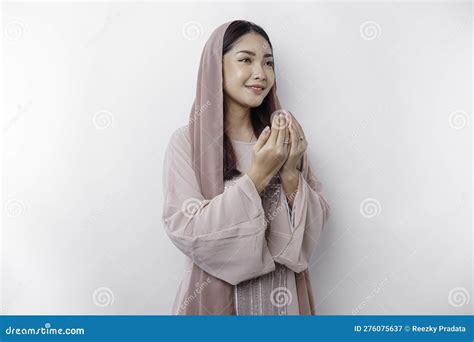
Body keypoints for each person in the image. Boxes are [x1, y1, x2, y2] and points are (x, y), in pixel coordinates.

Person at [162, 20, 331, 315]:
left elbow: (310, 236)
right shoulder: (187, 143)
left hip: (284, 301)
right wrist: (258, 175)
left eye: (268, 63)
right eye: (245, 60)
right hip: (215, 302)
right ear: (216, 67)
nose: (260, 74)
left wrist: (291, 173)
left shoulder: (284, 140)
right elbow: (188, 231)